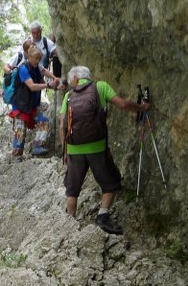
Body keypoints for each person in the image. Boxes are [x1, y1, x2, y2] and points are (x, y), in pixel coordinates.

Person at [59, 65, 150, 233]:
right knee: (111, 182)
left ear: (75, 79)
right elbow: (122, 104)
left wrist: (64, 151)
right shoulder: (100, 87)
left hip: (73, 149)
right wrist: (142, 107)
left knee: (72, 188)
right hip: (97, 147)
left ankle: (70, 224)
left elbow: (62, 124)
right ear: (88, 76)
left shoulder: (68, 96)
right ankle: (102, 216)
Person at [9, 44, 55, 157]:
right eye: (36, 58)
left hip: (30, 105)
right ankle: (16, 155)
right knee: (20, 131)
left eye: (39, 58)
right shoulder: (23, 69)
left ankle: (38, 146)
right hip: (20, 106)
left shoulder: (36, 69)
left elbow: (41, 81)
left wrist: (56, 85)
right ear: (29, 57)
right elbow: (32, 86)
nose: (38, 61)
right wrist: (49, 85)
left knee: (43, 121)